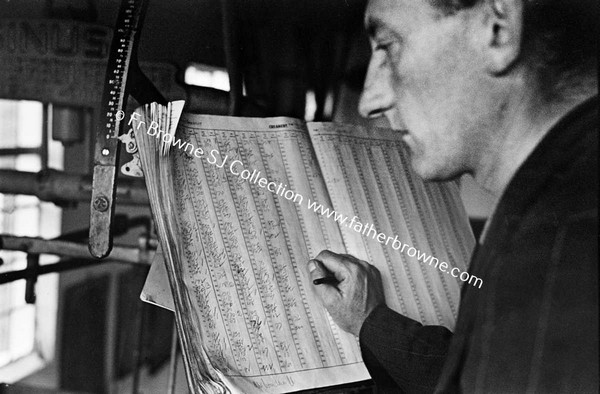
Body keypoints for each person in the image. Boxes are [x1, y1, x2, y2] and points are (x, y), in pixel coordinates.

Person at [306, 0, 598, 392]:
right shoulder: (548, 205)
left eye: (388, 45)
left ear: (497, 27)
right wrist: (370, 323)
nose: (369, 101)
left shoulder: (558, 249)